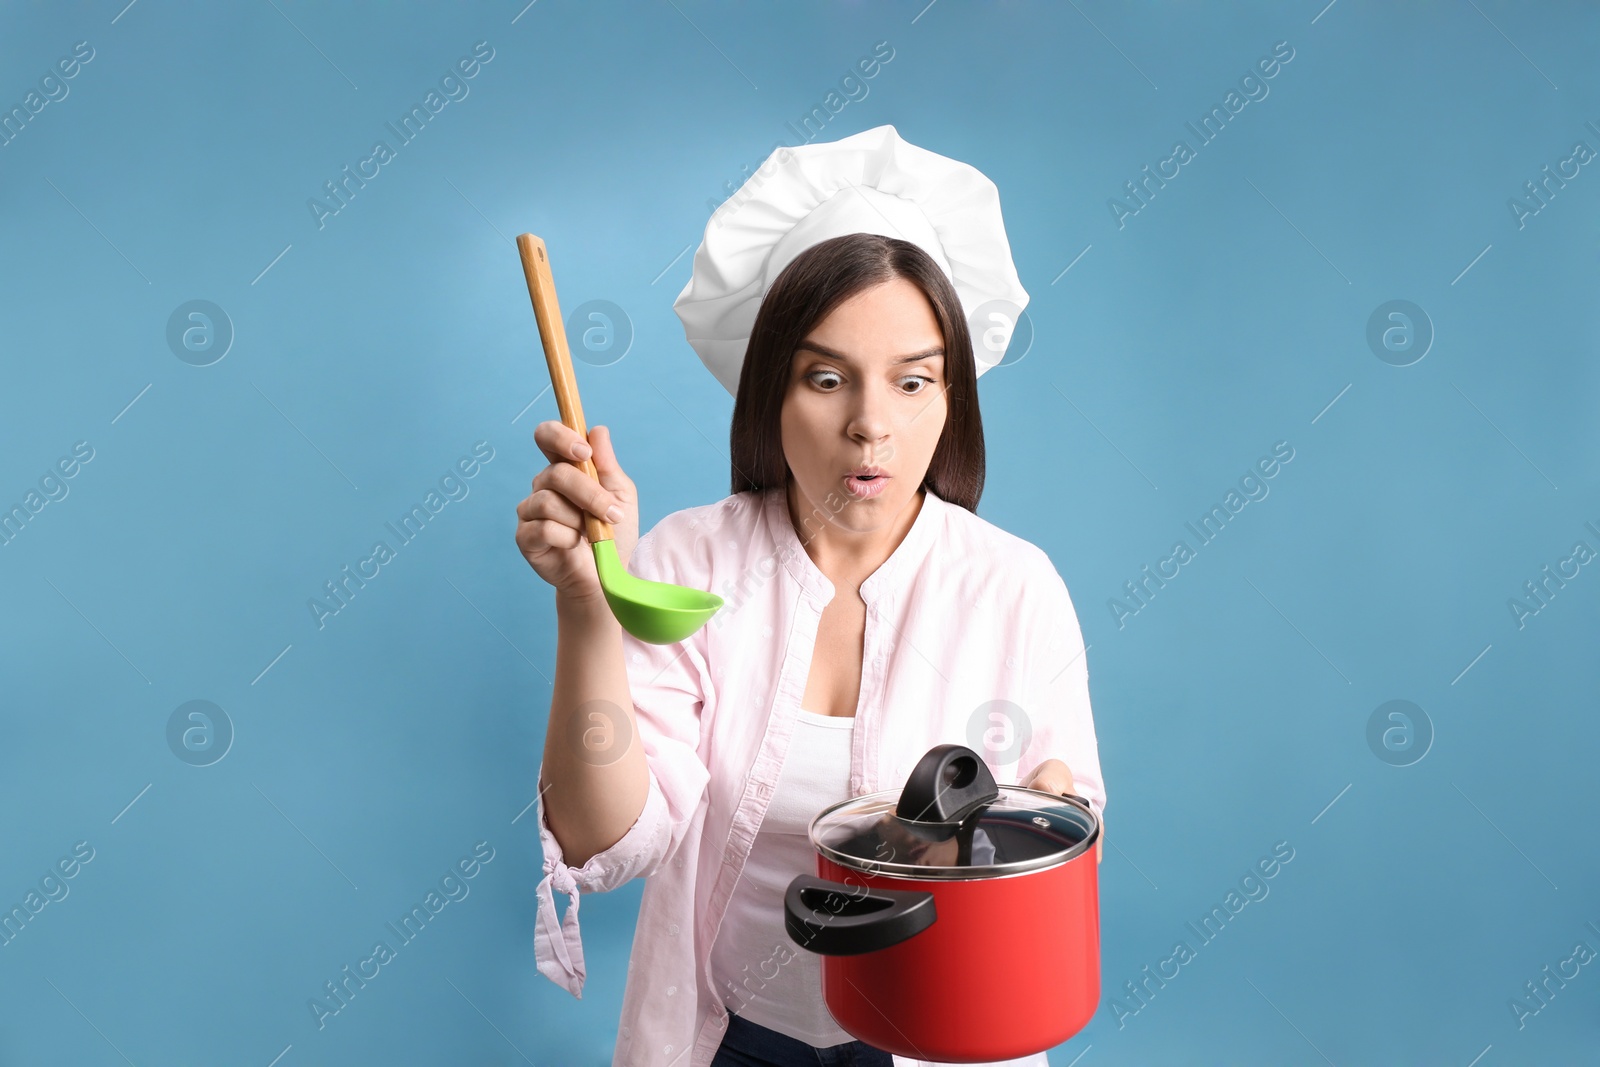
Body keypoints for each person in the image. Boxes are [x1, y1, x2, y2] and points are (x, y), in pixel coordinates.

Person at [516, 127, 1106, 1067]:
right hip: (732, 1041)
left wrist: (1031, 835)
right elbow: (605, 839)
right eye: (826, 377)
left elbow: (1071, 843)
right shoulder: (688, 563)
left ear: (951, 397)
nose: (871, 422)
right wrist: (590, 603)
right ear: (771, 391)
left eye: (912, 380)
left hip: (939, 1039)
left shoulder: (1015, 588)